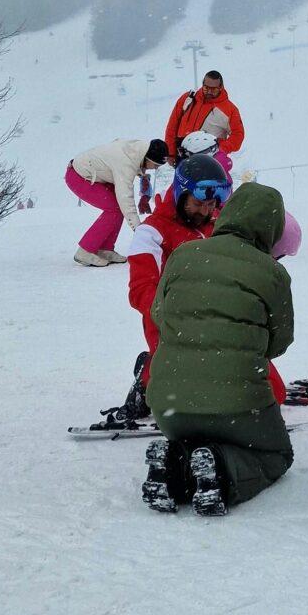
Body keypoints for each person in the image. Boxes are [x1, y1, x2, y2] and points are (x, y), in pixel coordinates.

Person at [140, 181, 296, 515]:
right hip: (239, 407)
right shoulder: (272, 272)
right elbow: (279, 343)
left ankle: (174, 464)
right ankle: (221, 472)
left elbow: (157, 313)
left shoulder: (182, 256)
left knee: (196, 438)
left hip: (169, 408)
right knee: (276, 454)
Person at [114, 151, 231, 428]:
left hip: (216, 317)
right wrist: (179, 314)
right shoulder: (152, 232)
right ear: (180, 194)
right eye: (198, 203)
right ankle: (149, 379)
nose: (205, 211)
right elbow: (140, 290)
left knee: (267, 388)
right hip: (168, 322)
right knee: (184, 396)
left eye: (212, 204)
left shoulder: (217, 226)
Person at [66, 136, 169, 265]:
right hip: (79, 176)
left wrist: (141, 174)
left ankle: (105, 249)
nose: (156, 169)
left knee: (117, 208)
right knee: (114, 209)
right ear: (148, 158)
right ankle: (85, 251)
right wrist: (138, 228)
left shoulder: (137, 150)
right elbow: (125, 196)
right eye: (155, 165)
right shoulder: (126, 162)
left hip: (96, 175)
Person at [163, 70, 245, 160]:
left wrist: (220, 149)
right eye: (206, 88)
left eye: (214, 89)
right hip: (182, 155)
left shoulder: (230, 110)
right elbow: (172, 126)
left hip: (209, 158)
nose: (209, 91)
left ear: (221, 87)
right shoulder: (188, 98)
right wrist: (170, 152)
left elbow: (238, 135)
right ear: (202, 85)